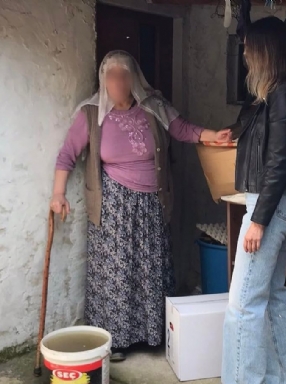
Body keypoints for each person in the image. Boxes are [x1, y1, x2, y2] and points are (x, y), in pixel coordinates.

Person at [51, 50, 231, 362]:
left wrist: (211, 135)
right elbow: (67, 154)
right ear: (103, 80)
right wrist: (58, 193)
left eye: (124, 75)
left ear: (135, 78)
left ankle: (152, 334)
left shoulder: (153, 106)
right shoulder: (91, 114)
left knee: (151, 266)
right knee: (117, 270)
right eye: (111, 75)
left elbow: (181, 128)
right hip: (113, 206)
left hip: (151, 202)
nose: (118, 82)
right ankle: (115, 339)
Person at [212, 17, 286, 384]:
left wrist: (258, 220)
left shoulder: (283, 94)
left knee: (243, 303)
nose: (246, 55)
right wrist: (233, 133)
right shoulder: (278, 92)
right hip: (274, 203)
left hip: (270, 204)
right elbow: (268, 145)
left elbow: (280, 163)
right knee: (272, 292)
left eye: (250, 48)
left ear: (266, 51)